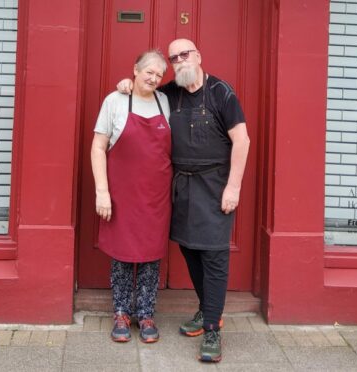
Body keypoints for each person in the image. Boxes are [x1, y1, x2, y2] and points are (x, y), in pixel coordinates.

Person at [118, 38, 250, 362]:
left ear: (198, 56)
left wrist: (233, 187)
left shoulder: (222, 92)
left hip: (216, 184)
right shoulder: (170, 94)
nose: (179, 61)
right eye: (174, 57)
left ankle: (213, 331)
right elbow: (143, 93)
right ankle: (208, 311)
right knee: (190, 249)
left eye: (184, 54)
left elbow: (242, 140)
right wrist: (126, 84)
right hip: (182, 185)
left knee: (214, 257)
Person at [91, 49, 172, 344]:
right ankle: (122, 313)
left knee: (151, 256)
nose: (153, 78)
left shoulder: (166, 102)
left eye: (159, 74)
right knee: (122, 256)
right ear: (135, 70)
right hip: (122, 195)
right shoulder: (115, 101)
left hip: (156, 196)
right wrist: (102, 192)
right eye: (148, 71)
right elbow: (98, 147)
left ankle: (146, 312)